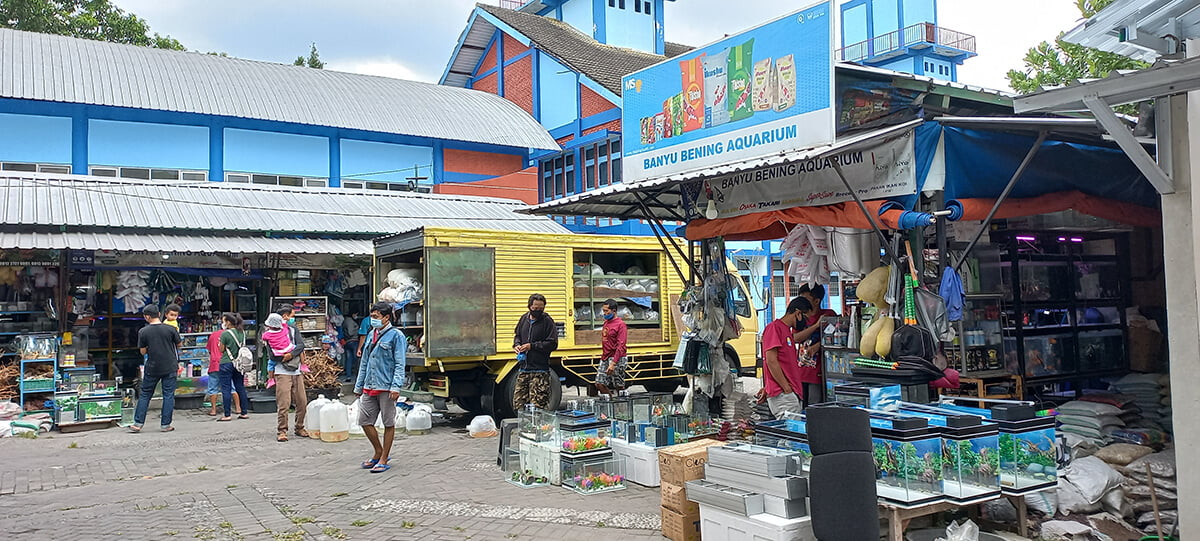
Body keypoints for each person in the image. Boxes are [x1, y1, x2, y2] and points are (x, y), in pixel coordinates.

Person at [354, 302, 408, 474]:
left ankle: (384, 457)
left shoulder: (396, 336)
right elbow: (365, 362)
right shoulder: (371, 334)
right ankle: (378, 451)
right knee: (364, 420)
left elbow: (400, 363)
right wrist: (359, 385)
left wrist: (396, 386)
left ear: (386, 318)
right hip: (370, 385)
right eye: (372, 316)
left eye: (376, 317)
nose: (373, 320)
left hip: (387, 386)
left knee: (388, 422)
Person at [131, 304, 182, 433]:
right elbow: (179, 345)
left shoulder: (143, 331)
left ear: (146, 317)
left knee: (145, 395)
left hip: (152, 367)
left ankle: (138, 423)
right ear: (159, 314)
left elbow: (143, 352)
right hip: (170, 366)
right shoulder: (170, 329)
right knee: (168, 395)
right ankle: (166, 425)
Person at [758, 297, 808, 420]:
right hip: (784, 394)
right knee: (790, 434)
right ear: (798, 313)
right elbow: (771, 361)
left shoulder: (787, 332)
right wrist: (785, 387)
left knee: (790, 434)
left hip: (790, 393)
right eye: (805, 317)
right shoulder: (774, 328)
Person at [512, 293, 558, 410]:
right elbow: (517, 335)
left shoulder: (547, 321)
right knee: (519, 405)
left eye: (541, 309)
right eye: (535, 308)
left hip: (540, 370)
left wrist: (532, 346)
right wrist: (517, 345)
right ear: (529, 307)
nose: (538, 311)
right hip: (523, 369)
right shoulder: (524, 319)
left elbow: (552, 343)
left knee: (538, 406)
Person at [269, 305, 308, 441]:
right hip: (281, 371)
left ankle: (299, 427)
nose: (293, 318)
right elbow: (271, 355)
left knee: (302, 401)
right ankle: (282, 430)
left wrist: (290, 355)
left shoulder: (293, 330)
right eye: (292, 315)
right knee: (284, 403)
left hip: (296, 370)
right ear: (284, 316)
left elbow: (301, 345)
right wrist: (282, 357)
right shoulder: (271, 332)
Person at [796, 284, 839, 406]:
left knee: (815, 405)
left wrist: (819, 345)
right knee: (800, 406)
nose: (802, 302)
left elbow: (836, 338)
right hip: (800, 371)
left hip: (818, 372)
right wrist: (815, 326)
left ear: (816, 301)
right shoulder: (799, 317)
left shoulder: (828, 315)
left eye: (806, 299)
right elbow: (795, 338)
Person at [217, 313, 250, 421]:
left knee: (226, 389)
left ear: (228, 322)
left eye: (224, 321)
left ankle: (227, 414)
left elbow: (221, 350)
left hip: (226, 362)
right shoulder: (242, 333)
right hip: (239, 363)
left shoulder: (225, 334)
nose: (223, 323)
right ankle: (244, 412)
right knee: (240, 387)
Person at [594, 299, 628, 397]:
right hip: (605, 357)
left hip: (617, 358)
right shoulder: (606, 323)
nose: (604, 313)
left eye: (606, 311)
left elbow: (621, 345)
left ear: (614, 311)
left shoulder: (621, 325)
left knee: (619, 386)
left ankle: (622, 408)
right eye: (603, 311)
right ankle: (611, 403)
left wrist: (613, 363)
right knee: (599, 383)